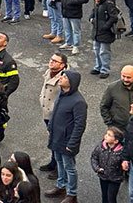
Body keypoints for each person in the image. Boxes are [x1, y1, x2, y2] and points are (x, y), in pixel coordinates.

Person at [44, 70, 86, 203]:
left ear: (71, 82)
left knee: (69, 167)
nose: (61, 78)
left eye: (65, 77)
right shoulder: (61, 94)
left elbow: (80, 125)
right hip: (57, 138)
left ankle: (72, 194)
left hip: (67, 141)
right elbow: (55, 113)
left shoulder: (79, 102)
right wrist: (50, 128)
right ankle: (61, 186)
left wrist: (72, 143)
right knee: (60, 163)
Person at [38, 52, 68, 174]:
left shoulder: (64, 79)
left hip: (57, 117)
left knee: (58, 143)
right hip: (47, 114)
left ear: (62, 65)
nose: (51, 62)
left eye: (55, 61)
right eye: (51, 59)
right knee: (52, 141)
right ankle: (53, 163)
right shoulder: (49, 72)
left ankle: (59, 168)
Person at [90, 126, 124, 203]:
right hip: (103, 176)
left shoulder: (121, 151)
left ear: (116, 141)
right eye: (106, 133)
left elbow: (125, 163)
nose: (105, 136)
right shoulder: (101, 146)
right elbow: (94, 157)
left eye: (109, 135)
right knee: (104, 196)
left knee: (111, 198)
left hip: (115, 179)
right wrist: (97, 168)